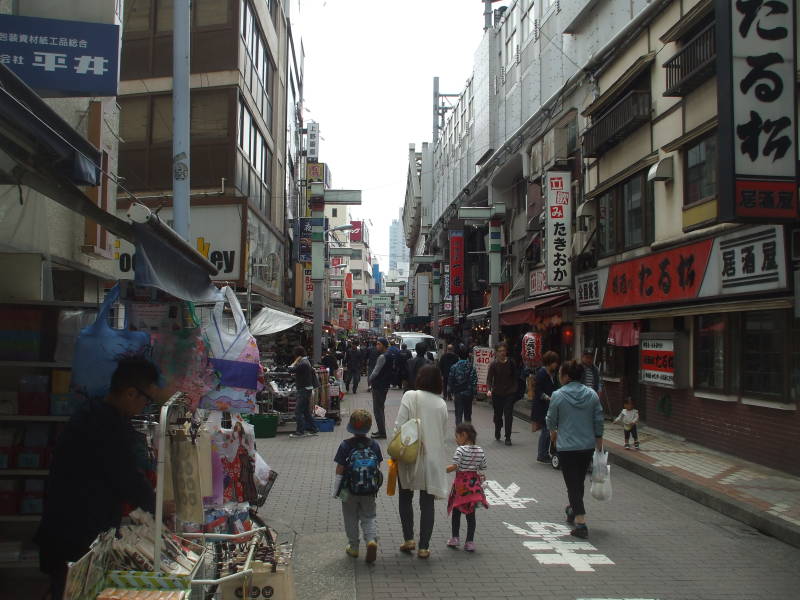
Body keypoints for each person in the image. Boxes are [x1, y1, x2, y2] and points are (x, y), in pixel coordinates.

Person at [35, 358, 161, 600]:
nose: (146, 405)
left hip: (74, 529)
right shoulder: (105, 424)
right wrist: (157, 505)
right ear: (130, 393)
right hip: (74, 534)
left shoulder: (95, 413)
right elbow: (126, 477)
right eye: (147, 399)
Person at [393, 365, 449, 558]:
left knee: (405, 497)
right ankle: (424, 547)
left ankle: (409, 539)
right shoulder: (441, 404)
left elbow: (399, 426)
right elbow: (443, 432)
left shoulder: (410, 396)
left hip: (409, 455)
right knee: (427, 503)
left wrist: (394, 449)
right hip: (432, 459)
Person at [546, 360, 604, 539]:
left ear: (566, 376)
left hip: (567, 447)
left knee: (572, 484)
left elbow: (550, 419)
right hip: (586, 446)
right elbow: (598, 419)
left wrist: (553, 433)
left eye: (561, 373)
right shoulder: (592, 395)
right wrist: (599, 441)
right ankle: (572, 509)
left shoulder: (558, 395)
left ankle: (581, 522)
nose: (559, 375)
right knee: (578, 482)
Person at [333, 409, 383, 563]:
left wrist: (336, 490)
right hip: (369, 490)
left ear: (351, 427)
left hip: (348, 490)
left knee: (350, 517)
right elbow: (377, 467)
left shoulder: (345, 445)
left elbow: (340, 468)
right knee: (368, 516)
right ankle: (371, 540)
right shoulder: (374, 445)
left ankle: (354, 547)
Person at [446, 423, 488, 552]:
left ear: (464, 435)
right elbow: (483, 467)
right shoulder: (480, 450)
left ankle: (455, 538)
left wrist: (444, 469)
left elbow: (455, 466)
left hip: (461, 486)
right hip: (473, 486)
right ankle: (470, 542)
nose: (456, 439)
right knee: (471, 514)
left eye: (457, 436)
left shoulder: (460, 450)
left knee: (457, 512)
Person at [486, 342, 519, 445]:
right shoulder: (493, 365)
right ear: (496, 353)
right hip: (497, 393)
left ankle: (508, 437)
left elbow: (515, 377)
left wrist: (514, 388)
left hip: (509, 393)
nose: (502, 353)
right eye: (500, 351)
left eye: (504, 350)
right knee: (498, 415)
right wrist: (489, 390)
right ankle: (498, 429)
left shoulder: (511, 363)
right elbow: (489, 379)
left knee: (508, 415)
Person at [532, 351, 560, 463]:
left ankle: (544, 453)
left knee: (548, 430)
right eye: (554, 362)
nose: (556, 365)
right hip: (542, 406)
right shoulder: (542, 373)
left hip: (550, 405)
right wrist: (547, 397)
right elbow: (537, 390)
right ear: (549, 362)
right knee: (546, 430)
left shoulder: (552, 374)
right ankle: (542, 454)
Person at [288, 346, 319, 438]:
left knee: (298, 411)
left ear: (298, 355)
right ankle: (314, 429)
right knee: (305, 411)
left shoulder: (303, 363)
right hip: (306, 389)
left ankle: (300, 431)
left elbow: (290, 369)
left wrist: (295, 362)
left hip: (304, 389)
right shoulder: (306, 362)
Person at [367, 338, 393, 438]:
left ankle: (382, 432)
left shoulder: (382, 356)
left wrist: (370, 380)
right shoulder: (390, 355)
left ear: (384, 345)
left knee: (377, 410)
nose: (377, 346)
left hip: (378, 385)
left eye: (378, 344)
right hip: (385, 384)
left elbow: (375, 372)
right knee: (380, 408)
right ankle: (381, 431)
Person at [448, 345, 477, 425]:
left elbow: (451, 380)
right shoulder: (471, 367)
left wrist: (450, 391)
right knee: (468, 414)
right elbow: (474, 381)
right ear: (468, 355)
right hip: (468, 393)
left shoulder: (454, 367)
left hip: (458, 393)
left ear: (458, 355)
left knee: (458, 414)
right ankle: (467, 434)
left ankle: (459, 434)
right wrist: (474, 394)